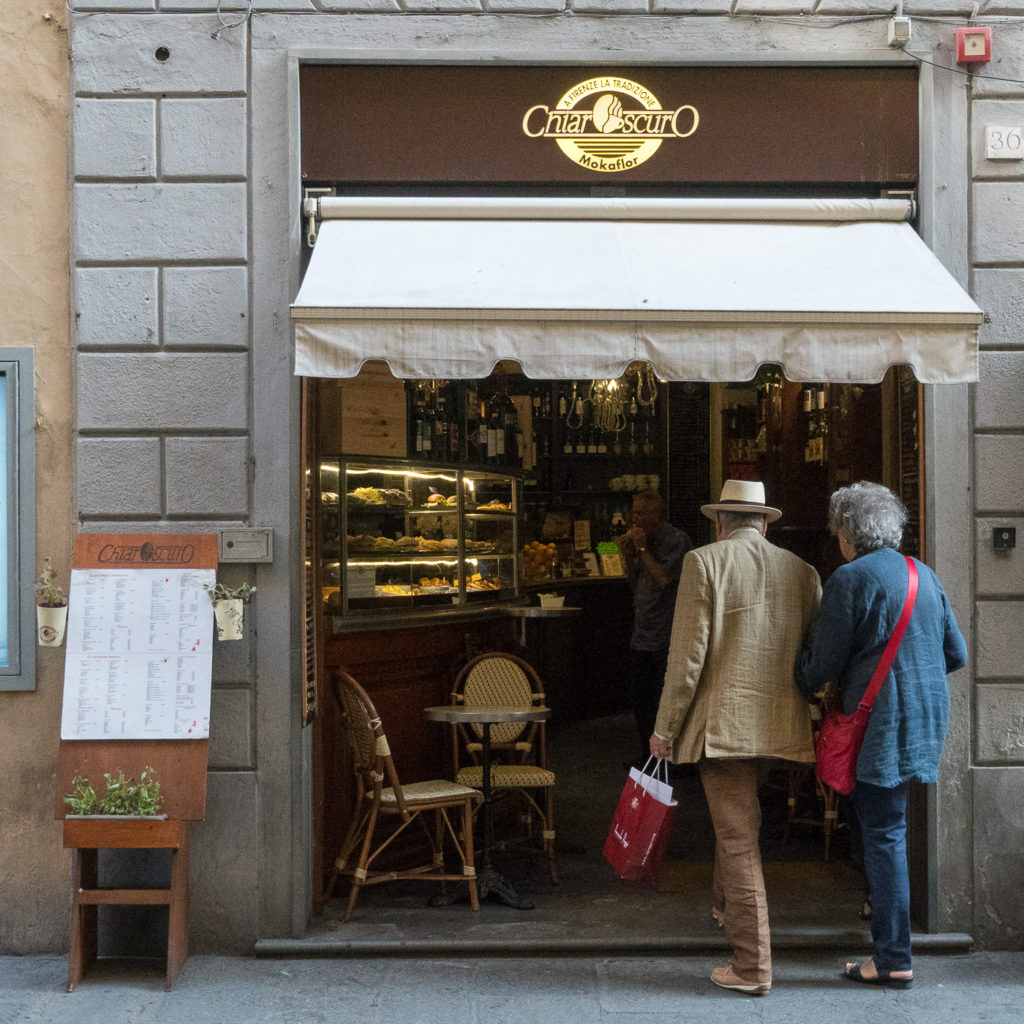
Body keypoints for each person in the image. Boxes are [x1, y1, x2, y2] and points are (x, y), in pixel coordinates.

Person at [649, 479, 821, 996]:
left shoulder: (705, 562)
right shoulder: (805, 572)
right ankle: (726, 910)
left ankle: (751, 965)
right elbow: (813, 656)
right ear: (765, 523)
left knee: (739, 840)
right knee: (743, 824)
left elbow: (686, 660)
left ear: (720, 523)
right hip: (777, 725)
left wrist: (663, 729)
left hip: (721, 728)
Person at [795, 481, 967, 990]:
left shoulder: (850, 579)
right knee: (881, 823)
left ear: (847, 534)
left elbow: (822, 662)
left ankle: (892, 957)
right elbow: (955, 653)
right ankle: (879, 908)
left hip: (880, 723)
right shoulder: (923, 573)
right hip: (925, 717)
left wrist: (798, 674)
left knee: (886, 834)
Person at [616, 491, 691, 759]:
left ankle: (670, 758)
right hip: (642, 633)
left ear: (656, 515)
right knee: (640, 697)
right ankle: (646, 753)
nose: (634, 518)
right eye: (633, 512)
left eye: (639, 513)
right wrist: (628, 556)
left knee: (664, 699)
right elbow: (635, 585)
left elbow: (664, 580)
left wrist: (643, 550)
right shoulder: (641, 543)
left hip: (667, 634)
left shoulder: (677, 540)